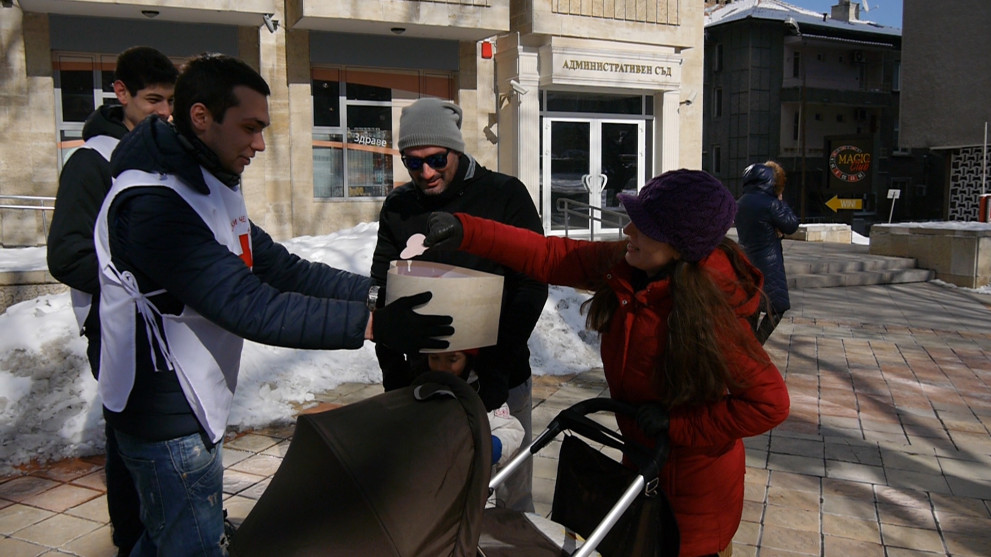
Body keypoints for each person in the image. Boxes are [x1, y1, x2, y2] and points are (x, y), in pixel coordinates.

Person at [95, 53, 453, 556]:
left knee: (165, 542)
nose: (259, 144)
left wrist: (381, 293)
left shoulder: (207, 182)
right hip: (164, 417)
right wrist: (376, 325)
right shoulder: (154, 202)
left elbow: (281, 268)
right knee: (190, 548)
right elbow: (247, 304)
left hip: (192, 402)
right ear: (200, 117)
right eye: (249, 127)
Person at [424, 169, 791, 557]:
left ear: (679, 245)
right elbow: (551, 256)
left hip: (693, 495)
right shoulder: (632, 267)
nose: (628, 230)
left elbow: (770, 404)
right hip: (641, 467)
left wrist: (677, 425)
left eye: (644, 226)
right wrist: (466, 231)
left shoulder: (710, 314)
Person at [371, 97, 548, 512]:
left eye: (436, 159)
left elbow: (532, 283)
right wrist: (394, 372)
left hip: (500, 377)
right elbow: (382, 289)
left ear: (457, 149)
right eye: (412, 163)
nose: (426, 173)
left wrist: (498, 368)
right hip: (428, 379)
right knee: (439, 494)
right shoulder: (400, 207)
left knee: (510, 492)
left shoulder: (504, 195)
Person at [47, 45, 178, 556]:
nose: (164, 112)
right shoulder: (92, 162)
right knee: (129, 440)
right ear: (120, 93)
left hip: (167, 322)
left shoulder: (163, 155)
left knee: (170, 441)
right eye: (152, 100)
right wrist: (136, 286)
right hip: (117, 325)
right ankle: (132, 539)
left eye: (171, 101)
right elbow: (66, 254)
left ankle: (177, 524)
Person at [420, 350, 524, 473]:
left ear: (468, 359)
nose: (441, 367)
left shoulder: (482, 393)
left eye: (452, 360)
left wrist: (492, 446)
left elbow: (511, 429)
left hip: (473, 481)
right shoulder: (419, 391)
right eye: (434, 358)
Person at [735, 161, 800, 344]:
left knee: (754, 305)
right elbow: (791, 225)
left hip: (747, 259)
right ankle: (756, 344)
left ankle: (748, 344)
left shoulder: (741, 202)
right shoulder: (770, 203)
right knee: (778, 306)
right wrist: (780, 199)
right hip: (769, 261)